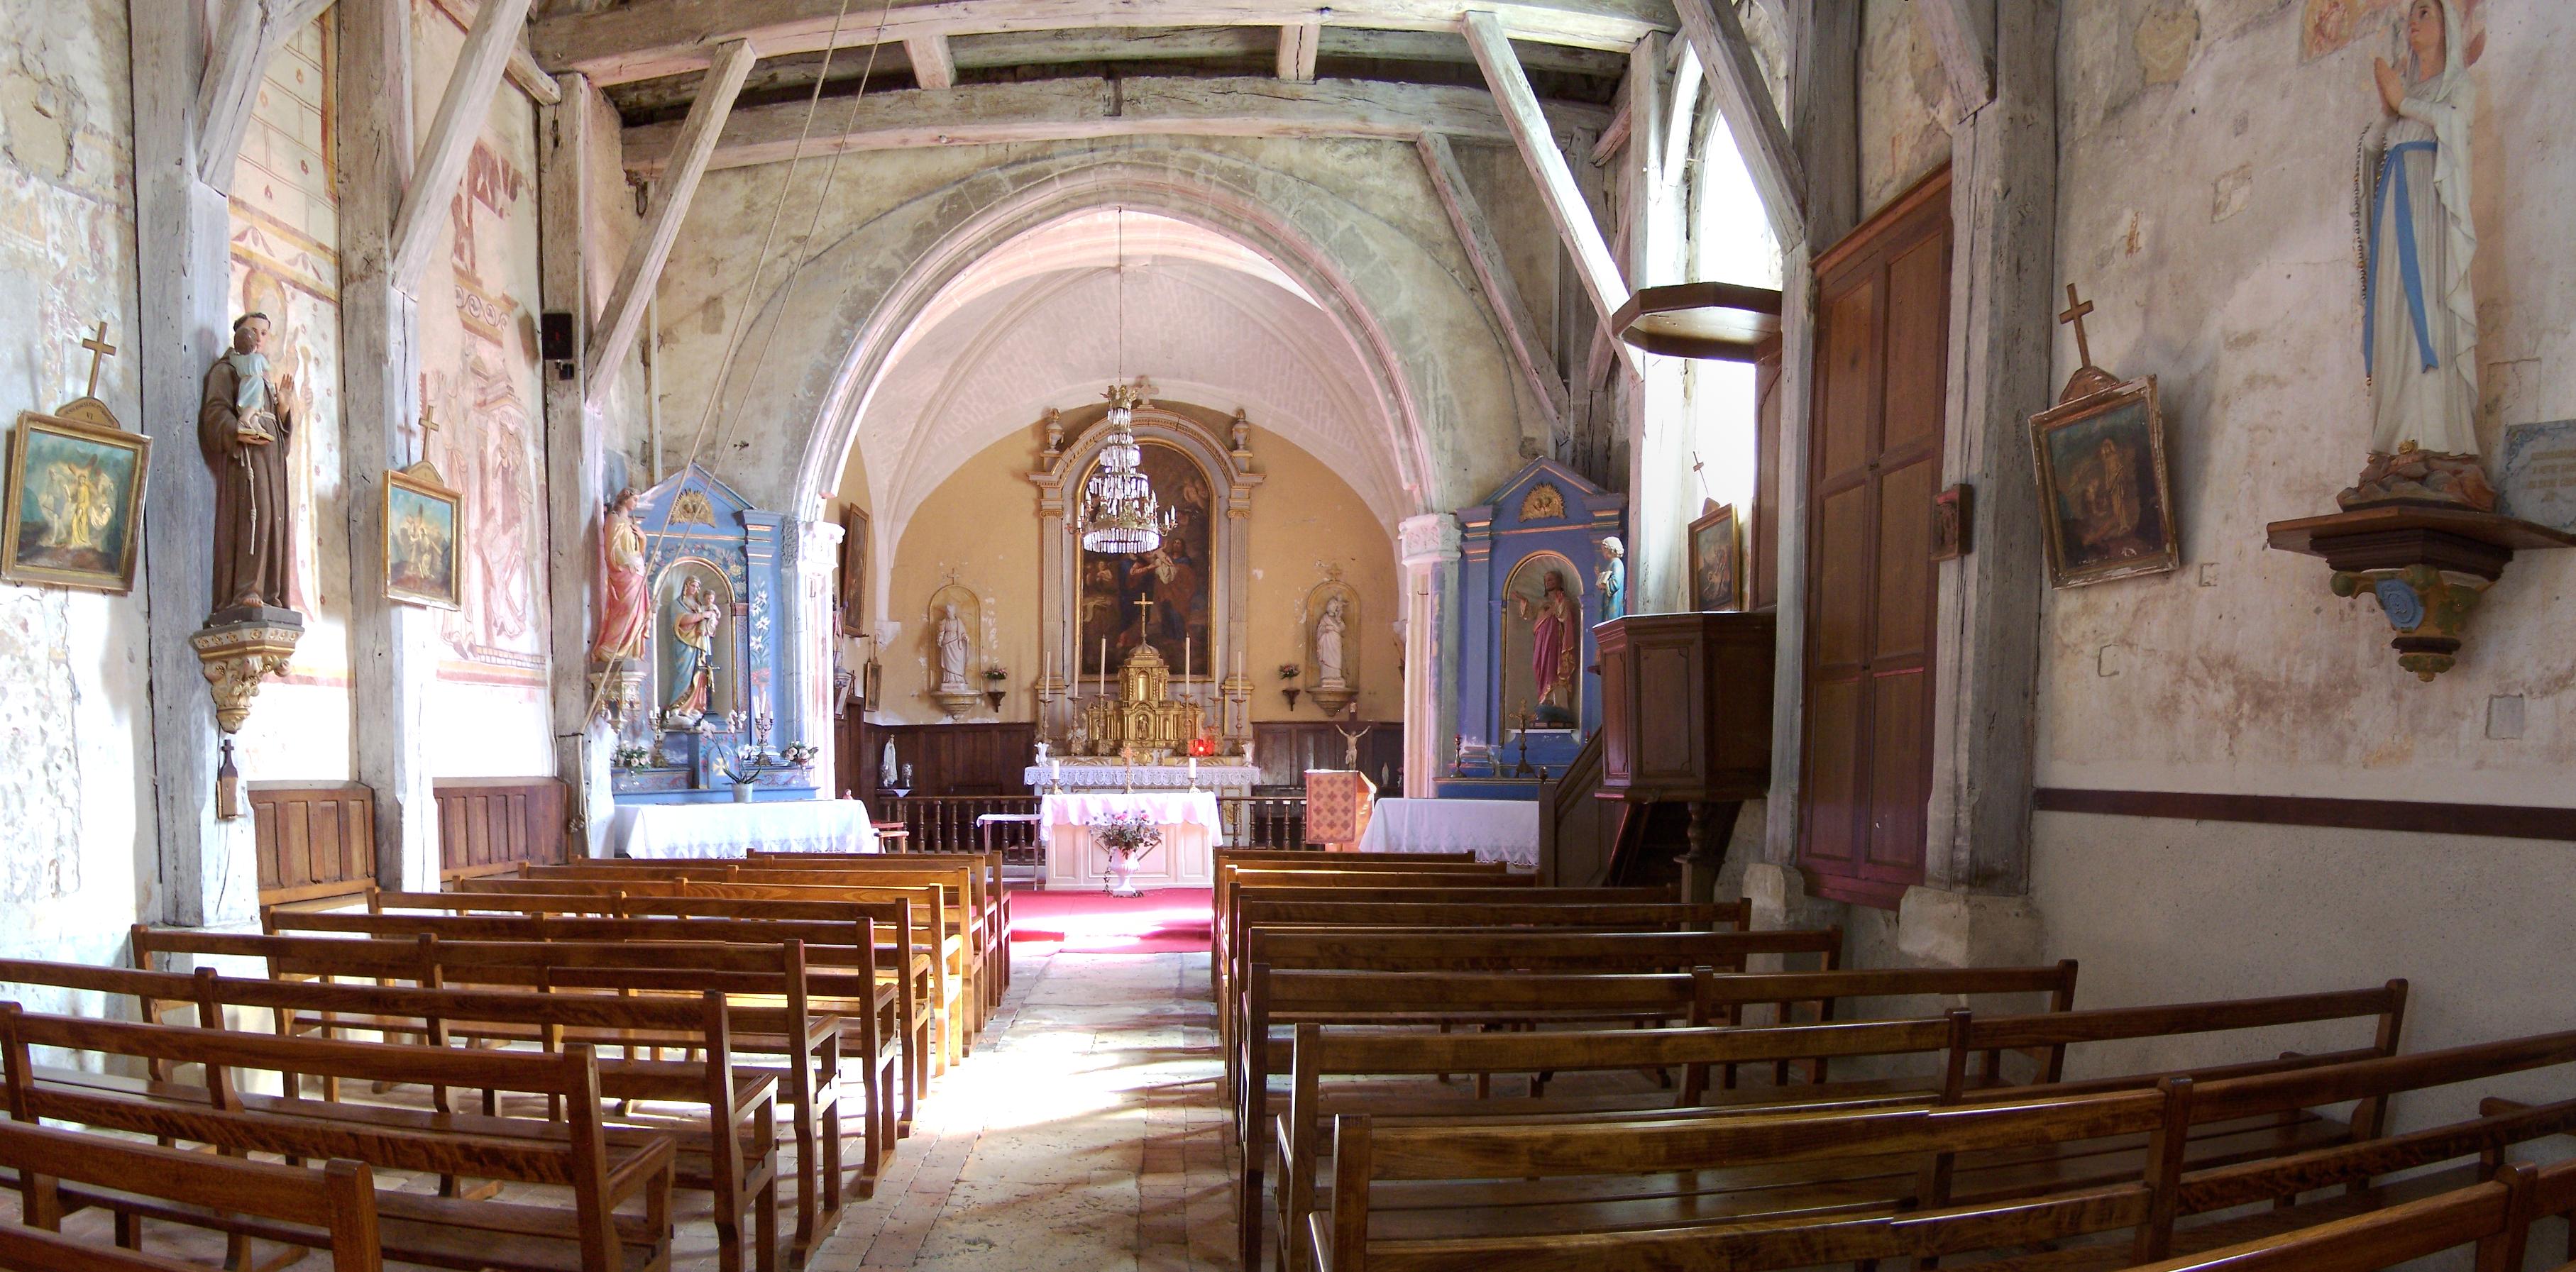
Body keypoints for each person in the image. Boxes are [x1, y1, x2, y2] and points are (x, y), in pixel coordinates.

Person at [2352, 0, 2484, 504]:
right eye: (2411, 12)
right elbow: (2373, 151)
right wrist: (2389, 110)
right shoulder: (2405, 92)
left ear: (2447, 25)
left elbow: (2455, 129)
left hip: (2429, 218)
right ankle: (2394, 442)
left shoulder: (2457, 86)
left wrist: (2404, 103)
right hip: (2394, 214)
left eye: (2425, 11)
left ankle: (2434, 439)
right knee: (2394, 323)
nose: (2413, 20)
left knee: (2426, 312)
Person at [199, 312, 298, 615]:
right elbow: (214, 414)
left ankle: (271, 593)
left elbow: (282, 439)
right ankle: (246, 590)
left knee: (275, 522)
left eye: (265, 333)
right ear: (240, 334)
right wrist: (236, 430)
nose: (260, 337)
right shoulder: (227, 370)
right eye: (254, 331)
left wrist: (283, 410)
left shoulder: (263, 376)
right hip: (247, 459)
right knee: (257, 516)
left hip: (272, 462)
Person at [590, 488, 650, 663]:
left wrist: (643, 539)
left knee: (638, 613)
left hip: (637, 572)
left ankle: (628, 650)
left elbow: (638, 552)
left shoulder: (631, 523)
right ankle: (610, 647)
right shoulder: (614, 519)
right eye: (635, 499)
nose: (636, 503)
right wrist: (626, 563)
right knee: (627, 608)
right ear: (625, 498)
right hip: (625, 572)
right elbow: (612, 548)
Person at [1514, 569, 1578, 717]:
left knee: (1553, 666)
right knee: (1539, 666)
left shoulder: (1564, 600)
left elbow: (1566, 617)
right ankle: (1543, 699)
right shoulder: (1541, 602)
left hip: (1555, 640)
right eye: (1546, 580)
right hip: (1541, 640)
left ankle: (1556, 702)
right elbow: (1530, 614)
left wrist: (1560, 604)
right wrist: (1524, 601)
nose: (1548, 582)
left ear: (1559, 582)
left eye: (1551, 579)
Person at [664, 576, 722, 719]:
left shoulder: (699, 605)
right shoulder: (678, 604)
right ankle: (678, 705)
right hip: (685, 644)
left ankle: (696, 706)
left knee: (701, 673)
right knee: (685, 673)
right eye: (693, 586)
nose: (695, 589)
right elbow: (682, 621)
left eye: (697, 587)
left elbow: (711, 624)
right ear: (686, 586)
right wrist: (703, 615)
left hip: (701, 643)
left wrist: (710, 620)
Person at [1314, 594, 1348, 685]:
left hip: (1336, 641)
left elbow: (1342, 628)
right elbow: (1320, 630)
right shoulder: (1324, 618)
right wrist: (1326, 628)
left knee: (1337, 658)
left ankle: (1337, 676)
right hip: (1326, 642)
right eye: (1331, 606)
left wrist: (1339, 620)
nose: (1332, 608)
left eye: (1334, 606)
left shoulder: (1338, 618)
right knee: (1327, 657)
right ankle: (1327, 676)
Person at [936, 603, 971, 691]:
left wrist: (965, 637)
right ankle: (950, 679)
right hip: (947, 644)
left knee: (958, 661)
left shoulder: (958, 621)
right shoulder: (944, 621)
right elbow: (941, 632)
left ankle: (958, 679)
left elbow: (963, 633)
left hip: (957, 643)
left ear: (954, 612)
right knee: (948, 662)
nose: (949, 613)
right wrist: (940, 638)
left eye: (950, 611)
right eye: (948, 612)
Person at [1596, 536, 1626, 620]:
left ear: (1611, 549)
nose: (1603, 553)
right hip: (1608, 600)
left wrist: (1604, 585)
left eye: (1604, 550)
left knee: (1612, 618)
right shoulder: (1611, 564)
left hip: (1614, 600)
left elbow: (1616, 582)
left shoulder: (1617, 563)